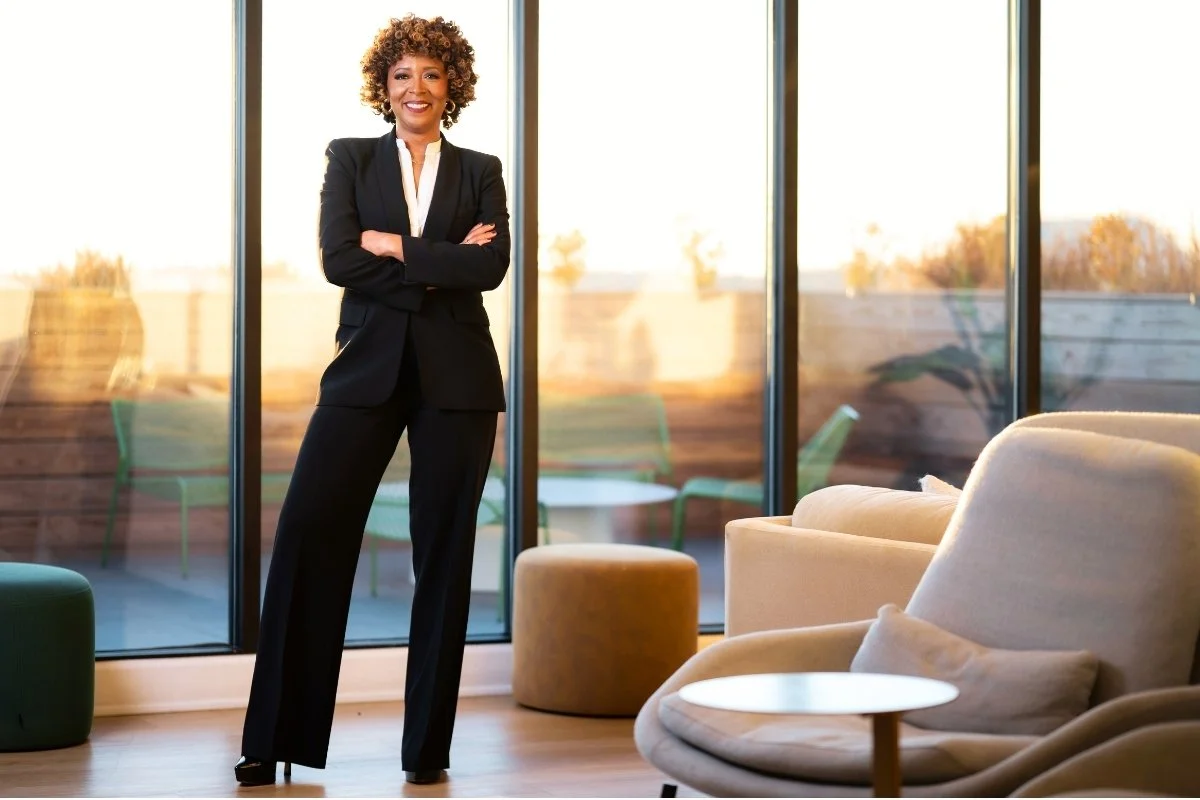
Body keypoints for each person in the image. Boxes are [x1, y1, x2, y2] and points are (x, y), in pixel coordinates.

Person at [235, 14, 509, 787]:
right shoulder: (349, 158)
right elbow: (337, 259)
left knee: (445, 562)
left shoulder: (482, 167)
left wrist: (396, 247)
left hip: (459, 384)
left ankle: (426, 752)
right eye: (401, 76)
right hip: (365, 375)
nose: (414, 88)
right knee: (308, 535)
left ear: (451, 84)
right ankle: (274, 739)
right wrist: (440, 262)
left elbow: (492, 271)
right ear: (381, 89)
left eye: (429, 74)